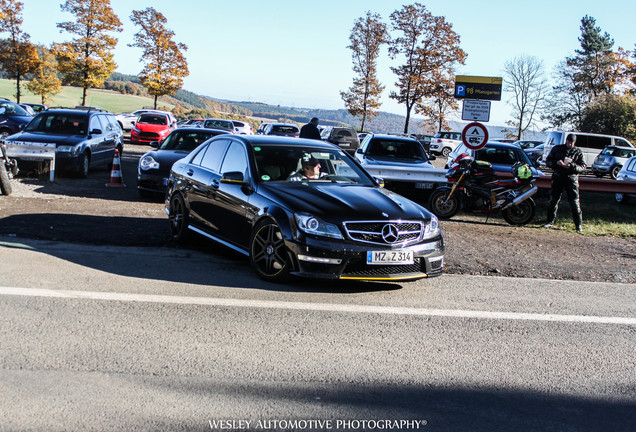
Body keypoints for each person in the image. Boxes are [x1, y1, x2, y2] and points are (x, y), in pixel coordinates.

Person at [544, 134, 586, 232]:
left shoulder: (578, 152)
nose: (569, 144)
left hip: (572, 179)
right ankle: (549, 222)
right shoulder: (557, 149)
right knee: (553, 200)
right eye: (568, 142)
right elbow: (548, 161)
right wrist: (556, 163)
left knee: (574, 202)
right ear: (566, 141)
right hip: (558, 176)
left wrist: (572, 166)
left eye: (571, 143)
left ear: (574, 143)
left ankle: (578, 225)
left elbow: (583, 166)